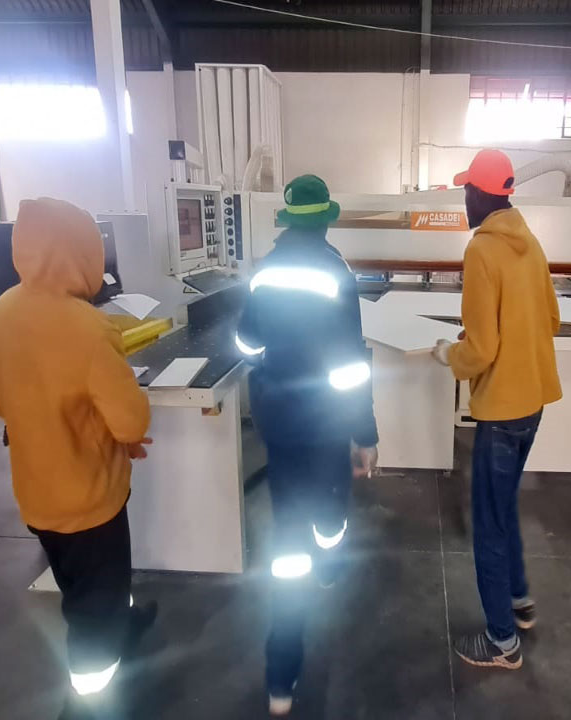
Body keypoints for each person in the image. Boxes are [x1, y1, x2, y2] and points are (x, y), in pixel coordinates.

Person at [0, 198, 156, 719]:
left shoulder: (2, 312)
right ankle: (89, 700)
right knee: (95, 605)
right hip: (91, 498)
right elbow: (129, 422)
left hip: (36, 492)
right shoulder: (88, 327)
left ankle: (122, 625)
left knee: (80, 583)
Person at [236, 174, 379, 715]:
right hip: (326, 423)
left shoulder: (264, 272)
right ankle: (331, 565)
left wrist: (271, 365)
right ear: (324, 222)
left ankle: (280, 682)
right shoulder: (337, 272)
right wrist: (365, 434)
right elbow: (350, 364)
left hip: (279, 421)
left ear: (288, 221)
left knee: (286, 537)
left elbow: (246, 343)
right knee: (331, 508)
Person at [433, 150, 562, 670]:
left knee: (487, 523)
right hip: (532, 401)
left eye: (467, 190)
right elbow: (551, 318)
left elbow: (482, 350)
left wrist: (450, 354)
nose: (464, 199)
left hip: (502, 410)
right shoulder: (529, 241)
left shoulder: (481, 250)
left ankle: (502, 642)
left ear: (481, 194)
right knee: (503, 506)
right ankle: (519, 601)